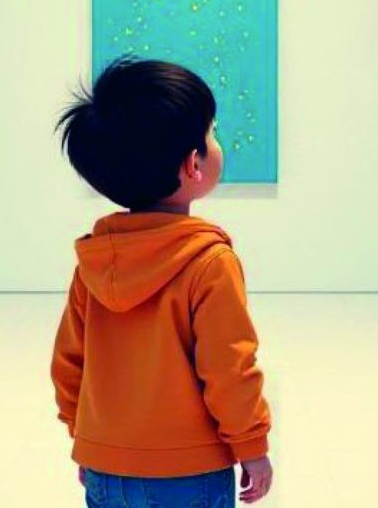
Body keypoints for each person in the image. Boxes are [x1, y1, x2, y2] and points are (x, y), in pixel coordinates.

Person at [51, 58, 273, 507]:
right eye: (211, 133)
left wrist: (90, 441)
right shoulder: (209, 262)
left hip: (105, 469)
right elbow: (229, 369)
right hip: (189, 473)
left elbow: (69, 364)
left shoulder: (95, 261)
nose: (215, 142)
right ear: (193, 164)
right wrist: (252, 447)